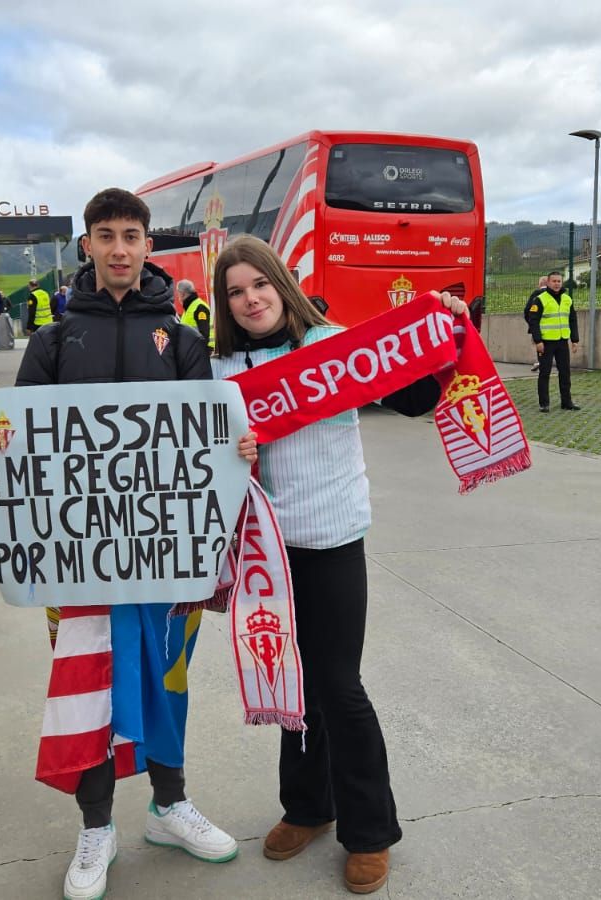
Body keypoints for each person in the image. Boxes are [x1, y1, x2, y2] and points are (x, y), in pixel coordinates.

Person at [0, 188, 237, 900]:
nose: (118, 248)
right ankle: (97, 826)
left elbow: (210, 442)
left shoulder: (185, 339)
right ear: (87, 245)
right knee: (91, 691)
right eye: (104, 235)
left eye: (130, 235)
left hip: (166, 562)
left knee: (169, 684)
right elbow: (11, 440)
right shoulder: (52, 341)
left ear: (146, 245)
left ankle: (170, 805)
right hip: (77, 565)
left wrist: (241, 452)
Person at [208, 234, 463, 895]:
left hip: (332, 540)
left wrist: (443, 330)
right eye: (235, 291)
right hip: (264, 548)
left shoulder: (332, 345)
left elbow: (412, 400)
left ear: (280, 283)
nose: (249, 299)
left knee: (339, 686)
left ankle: (370, 830)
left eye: (258, 284)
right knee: (291, 682)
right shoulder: (221, 372)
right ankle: (308, 808)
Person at [526, 270, 579, 412]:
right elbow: (533, 321)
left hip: (562, 341)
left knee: (565, 372)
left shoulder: (567, 299)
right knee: (544, 372)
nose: (556, 284)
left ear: (562, 283)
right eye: (554, 281)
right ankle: (544, 404)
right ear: (548, 282)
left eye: (559, 281)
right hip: (546, 342)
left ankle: (566, 402)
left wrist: (574, 339)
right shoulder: (540, 299)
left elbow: (572, 319)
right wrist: (538, 341)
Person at [176, 278, 213, 349]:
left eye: (178, 294)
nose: (178, 297)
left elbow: (204, 333)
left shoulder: (199, 307)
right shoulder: (188, 308)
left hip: (204, 350)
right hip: (194, 350)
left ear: (182, 294)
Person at [525, 275, 547, 372]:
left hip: (537, 326)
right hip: (553, 328)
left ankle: (541, 361)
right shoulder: (554, 295)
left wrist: (531, 323)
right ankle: (543, 362)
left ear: (539, 284)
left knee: (539, 343)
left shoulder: (535, 295)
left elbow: (527, 311)